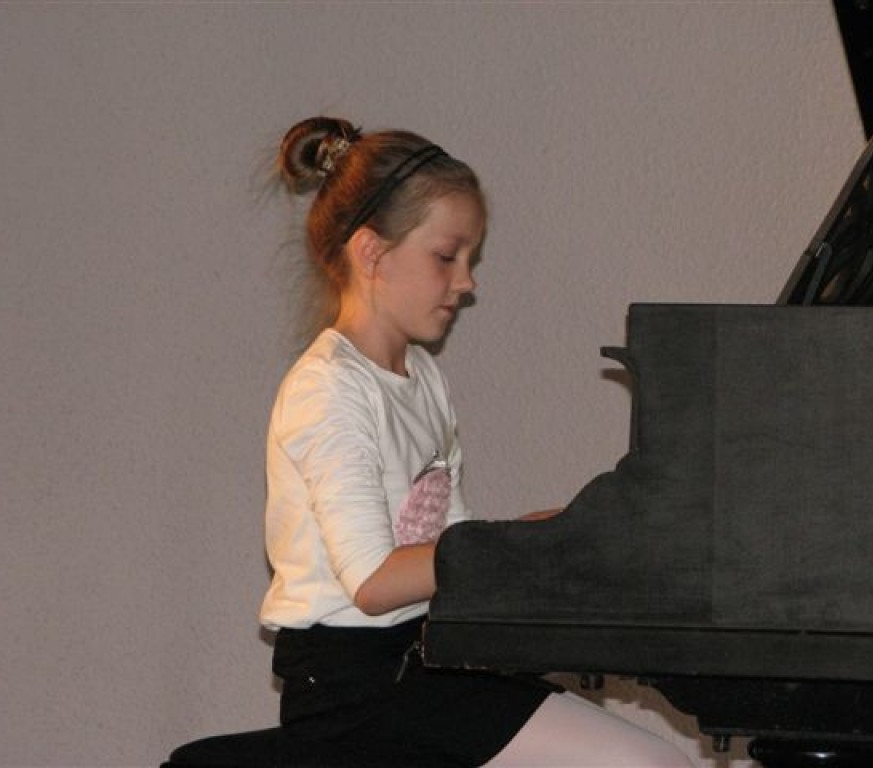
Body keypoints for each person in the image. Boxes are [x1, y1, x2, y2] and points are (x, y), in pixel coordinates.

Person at [186, 117, 696, 767]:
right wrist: (509, 547)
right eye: (446, 256)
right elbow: (373, 582)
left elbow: (448, 550)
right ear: (371, 253)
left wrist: (551, 536)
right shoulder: (329, 389)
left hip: (424, 662)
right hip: (356, 690)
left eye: (470, 260)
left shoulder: (422, 378)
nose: (467, 282)